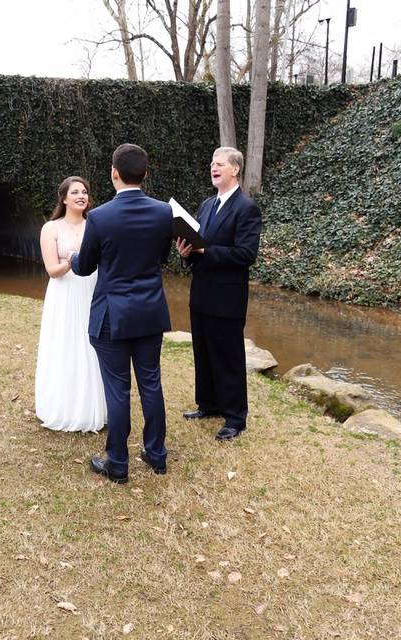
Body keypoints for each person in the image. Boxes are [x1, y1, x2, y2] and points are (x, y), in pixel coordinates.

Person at [71, 144, 174, 484]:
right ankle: (156, 455)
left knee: (118, 390)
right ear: (145, 175)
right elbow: (161, 258)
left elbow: (85, 267)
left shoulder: (99, 217)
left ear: (114, 172)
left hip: (112, 318)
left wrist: (72, 257)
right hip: (149, 312)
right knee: (151, 384)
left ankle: (118, 462)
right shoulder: (163, 213)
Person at [176, 147, 262, 441]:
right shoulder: (206, 205)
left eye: (220, 164)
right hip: (201, 292)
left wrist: (205, 250)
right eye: (212, 163)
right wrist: (186, 252)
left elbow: (246, 254)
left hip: (227, 297)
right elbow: (198, 245)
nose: (213, 167)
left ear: (235, 169)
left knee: (229, 357)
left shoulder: (247, 208)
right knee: (203, 351)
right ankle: (208, 404)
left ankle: (235, 417)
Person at [34, 176, 107, 432]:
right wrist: (74, 260)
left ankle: (94, 408)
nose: (81, 196)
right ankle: (64, 407)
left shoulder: (95, 224)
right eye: (75, 192)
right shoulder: (51, 228)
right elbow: (52, 269)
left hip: (92, 290)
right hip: (65, 294)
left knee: (92, 345)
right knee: (66, 344)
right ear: (64, 198)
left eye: (85, 192)